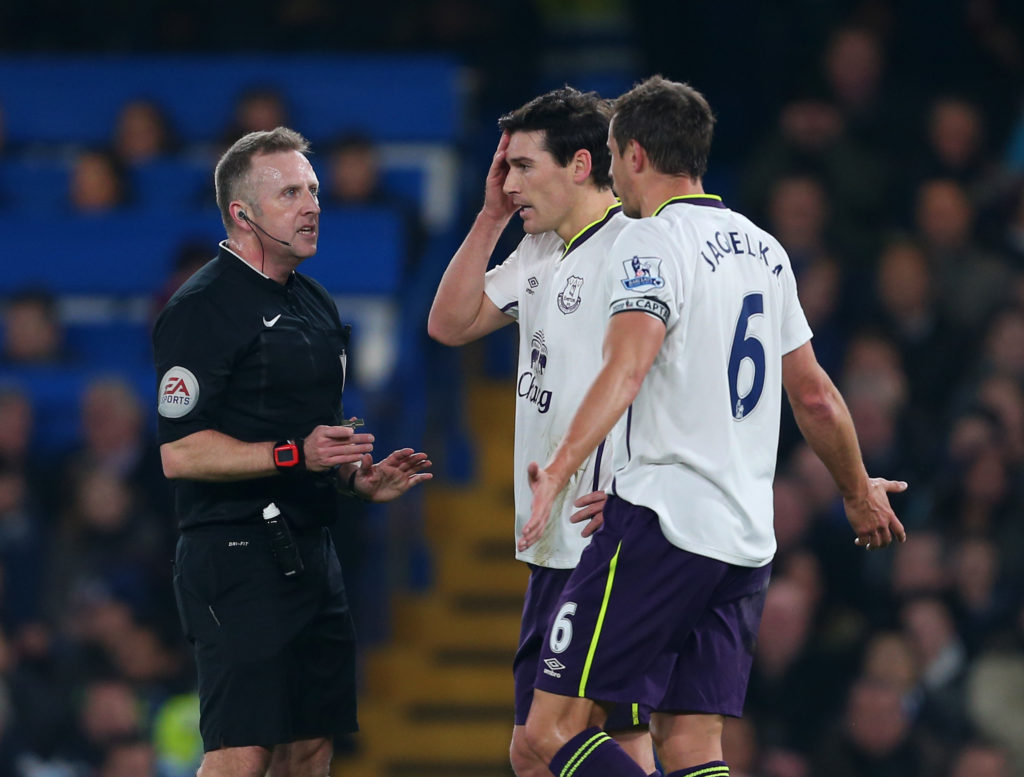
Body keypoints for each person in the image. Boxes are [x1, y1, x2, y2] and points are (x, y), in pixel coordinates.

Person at [521, 76, 907, 777]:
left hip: (663, 523)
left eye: (611, 154)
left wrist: (561, 464)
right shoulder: (767, 251)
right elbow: (815, 395)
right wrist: (856, 490)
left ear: (634, 154)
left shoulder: (650, 244)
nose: (610, 171)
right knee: (694, 744)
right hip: (744, 542)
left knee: (543, 737)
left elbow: (627, 366)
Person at [151, 126, 432, 777]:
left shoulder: (315, 301)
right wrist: (289, 456)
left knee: (310, 745)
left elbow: (317, 440)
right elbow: (181, 453)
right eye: (290, 193)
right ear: (241, 213)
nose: (312, 204)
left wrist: (356, 477)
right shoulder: (200, 308)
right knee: (241, 749)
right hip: (234, 551)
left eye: (312, 188)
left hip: (311, 549)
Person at [427, 87, 657, 776]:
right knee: (580, 747)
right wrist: (490, 216)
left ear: (582, 163)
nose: (510, 180)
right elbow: (449, 323)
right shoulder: (536, 249)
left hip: (604, 541)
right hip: (551, 542)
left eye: (524, 166)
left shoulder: (635, 249)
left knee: (543, 744)